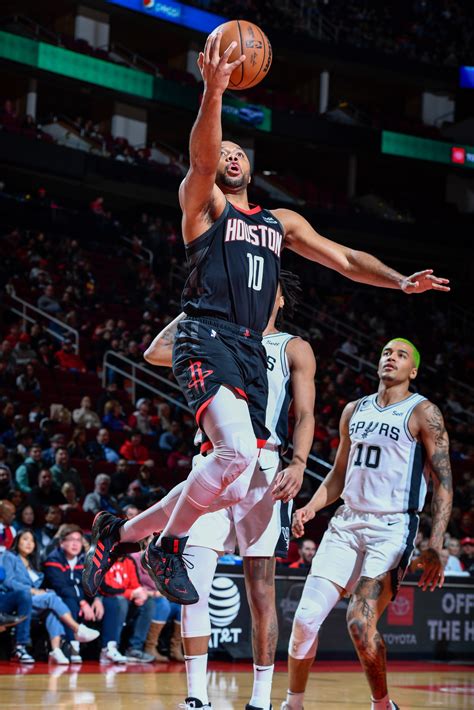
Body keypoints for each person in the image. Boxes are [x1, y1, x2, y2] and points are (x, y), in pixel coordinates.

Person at [83, 33, 449, 605]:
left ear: (251, 164)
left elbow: (347, 259)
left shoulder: (281, 223)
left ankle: (123, 534)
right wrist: (214, 91)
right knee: (233, 456)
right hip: (204, 333)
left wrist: (399, 280)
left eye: (238, 150)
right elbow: (202, 157)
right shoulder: (203, 206)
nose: (229, 154)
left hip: (250, 349)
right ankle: (165, 546)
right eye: (222, 149)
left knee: (238, 465)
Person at [101, 274, 316, 709]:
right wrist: (197, 307)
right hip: (214, 461)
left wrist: (299, 463)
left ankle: (260, 700)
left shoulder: (293, 346)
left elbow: (307, 414)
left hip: (265, 468)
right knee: (191, 583)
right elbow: (155, 352)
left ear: (278, 296)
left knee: (260, 590)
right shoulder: (215, 335)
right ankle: (196, 697)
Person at [282, 339, 453, 710]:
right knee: (305, 621)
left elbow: (443, 483)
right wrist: (311, 507)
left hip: (392, 529)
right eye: (387, 352)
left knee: (359, 622)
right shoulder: (353, 410)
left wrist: (437, 543)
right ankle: (292, 704)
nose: (391, 357)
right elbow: (339, 475)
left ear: (414, 371)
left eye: (402, 354)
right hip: (346, 524)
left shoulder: (424, 412)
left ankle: (382, 704)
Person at [1, 530, 99, 664]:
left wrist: (40, 591)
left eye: (32, 541)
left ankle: (55, 650)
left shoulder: (34, 563)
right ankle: (77, 628)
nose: (29, 543)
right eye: (25, 539)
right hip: (12, 598)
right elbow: (8, 581)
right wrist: (32, 590)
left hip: (30, 601)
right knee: (50, 598)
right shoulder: (9, 556)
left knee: (52, 606)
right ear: (17, 541)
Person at [43, 524, 104, 663]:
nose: (75, 543)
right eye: (71, 539)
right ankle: (73, 643)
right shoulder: (53, 559)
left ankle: (109, 647)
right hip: (59, 598)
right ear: (62, 542)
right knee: (69, 598)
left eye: (78, 540)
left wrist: (97, 599)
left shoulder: (84, 560)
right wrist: (82, 602)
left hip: (78, 599)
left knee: (110, 602)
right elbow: (61, 587)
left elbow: (91, 583)